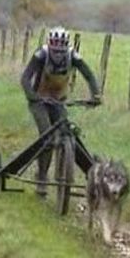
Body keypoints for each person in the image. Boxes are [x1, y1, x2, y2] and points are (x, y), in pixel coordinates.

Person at [20, 26, 101, 198]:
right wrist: (32, 96)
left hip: (58, 102)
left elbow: (89, 75)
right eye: (55, 48)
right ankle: (42, 177)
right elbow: (25, 78)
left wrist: (95, 95)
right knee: (46, 136)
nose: (58, 53)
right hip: (39, 101)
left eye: (61, 49)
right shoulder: (41, 55)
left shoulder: (73, 56)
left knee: (69, 134)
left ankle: (92, 173)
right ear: (50, 45)